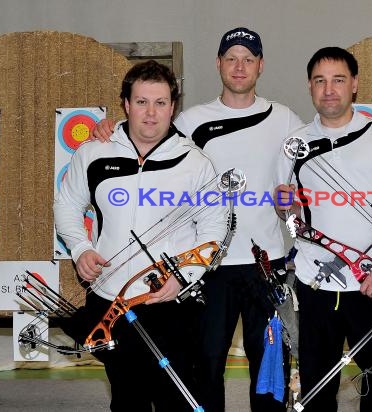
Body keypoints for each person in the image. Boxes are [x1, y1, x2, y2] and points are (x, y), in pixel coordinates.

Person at [91, 27, 304, 412]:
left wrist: (293, 202)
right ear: (218, 64)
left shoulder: (286, 119)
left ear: (261, 66)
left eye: (248, 59)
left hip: (266, 263)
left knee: (269, 365)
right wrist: (107, 129)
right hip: (207, 266)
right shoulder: (189, 120)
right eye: (231, 58)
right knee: (204, 367)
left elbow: (310, 171)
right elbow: (143, 132)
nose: (239, 67)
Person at [54, 59, 228, 412]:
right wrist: (80, 248)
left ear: (173, 106)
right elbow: (67, 207)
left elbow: (214, 230)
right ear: (126, 104)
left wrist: (184, 277)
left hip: (171, 302)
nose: (151, 113)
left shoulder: (195, 162)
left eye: (160, 103)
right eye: (142, 102)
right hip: (109, 299)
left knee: (175, 398)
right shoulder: (93, 153)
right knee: (126, 396)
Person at [274, 47, 372, 412]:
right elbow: (293, 215)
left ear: (354, 85)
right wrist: (285, 205)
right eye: (320, 81)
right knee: (317, 387)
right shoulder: (295, 143)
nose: (329, 89)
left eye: (338, 80)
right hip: (315, 285)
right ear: (309, 87)